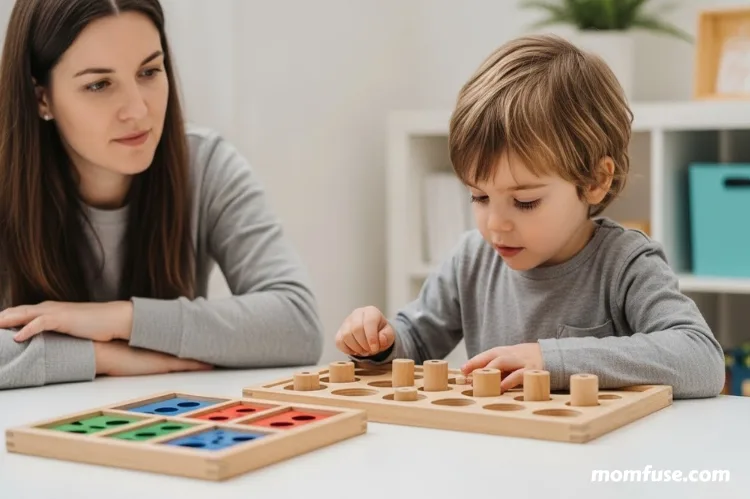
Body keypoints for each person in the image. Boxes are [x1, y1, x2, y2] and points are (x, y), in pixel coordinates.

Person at [335, 34, 725, 399]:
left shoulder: (625, 263)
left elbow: (700, 358)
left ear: (595, 180)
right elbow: (415, 343)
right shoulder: (472, 259)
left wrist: (551, 360)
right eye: (479, 196)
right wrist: (378, 342)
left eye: (525, 202)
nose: (495, 224)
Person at [0, 0, 324, 390]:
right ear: (42, 98)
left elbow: (296, 325)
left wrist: (120, 319)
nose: (137, 110)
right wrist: (102, 356)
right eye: (99, 84)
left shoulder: (205, 166)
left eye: (149, 71)